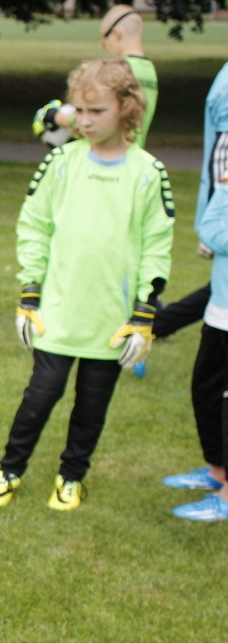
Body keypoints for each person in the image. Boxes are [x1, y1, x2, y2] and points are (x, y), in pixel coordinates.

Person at [0, 57, 174, 511]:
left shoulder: (149, 172)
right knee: (41, 395)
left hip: (111, 318)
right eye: (79, 111)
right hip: (59, 311)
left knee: (92, 407)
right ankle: (11, 468)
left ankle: (72, 476)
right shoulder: (60, 162)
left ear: (126, 109)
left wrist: (145, 312)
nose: (84, 122)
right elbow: (34, 225)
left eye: (97, 112)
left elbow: (157, 245)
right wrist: (30, 292)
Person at [163, 60, 228, 521]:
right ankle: (218, 473)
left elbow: (217, 224)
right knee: (207, 386)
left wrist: (212, 222)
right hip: (222, 297)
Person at [38, 5, 159, 151]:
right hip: (134, 157)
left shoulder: (119, 71)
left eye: (104, 41)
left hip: (109, 158)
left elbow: (102, 118)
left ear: (116, 33)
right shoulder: (149, 70)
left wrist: (55, 116)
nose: (105, 47)